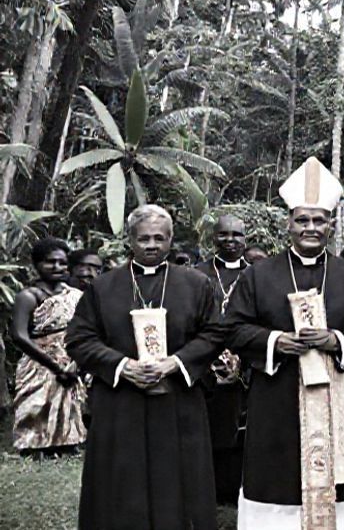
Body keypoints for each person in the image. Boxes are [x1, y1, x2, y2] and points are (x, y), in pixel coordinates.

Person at [226, 157, 344, 528]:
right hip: (278, 397)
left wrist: (336, 341)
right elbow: (233, 328)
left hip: (338, 396)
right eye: (302, 220)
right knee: (277, 480)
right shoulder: (258, 275)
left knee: (338, 483)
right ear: (288, 223)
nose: (310, 228)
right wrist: (277, 342)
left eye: (319, 220)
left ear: (331, 225)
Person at [66, 205, 224, 529]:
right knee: (121, 478)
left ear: (170, 239)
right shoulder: (103, 287)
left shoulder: (197, 284)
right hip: (120, 401)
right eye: (144, 239)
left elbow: (215, 333)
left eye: (159, 238)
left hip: (177, 398)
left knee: (178, 478)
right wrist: (122, 365)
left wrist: (175, 362)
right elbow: (79, 339)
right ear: (130, 240)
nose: (152, 245)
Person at [9, 237, 86, 455]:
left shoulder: (74, 295)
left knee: (67, 403)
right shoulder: (28, 296)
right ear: (36, 265)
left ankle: (66, 443)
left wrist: (75, 363)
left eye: (62, 263)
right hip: (38, 362)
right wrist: (55, 367)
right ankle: (34, 445)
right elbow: (19, 335)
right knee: (36, 404)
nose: (57, 267)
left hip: (69, 359)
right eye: (50, 262)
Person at [195, 214, 250, 504]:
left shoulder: (256, 274)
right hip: (206, 361)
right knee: (208, 427)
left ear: (246, 239)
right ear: (213, 238)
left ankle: (234, 488)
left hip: (246, 361)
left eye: (236, 234)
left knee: (242, 427)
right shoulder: (197, 274)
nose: (230, 240)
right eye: (223, 234)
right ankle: (208, 487)